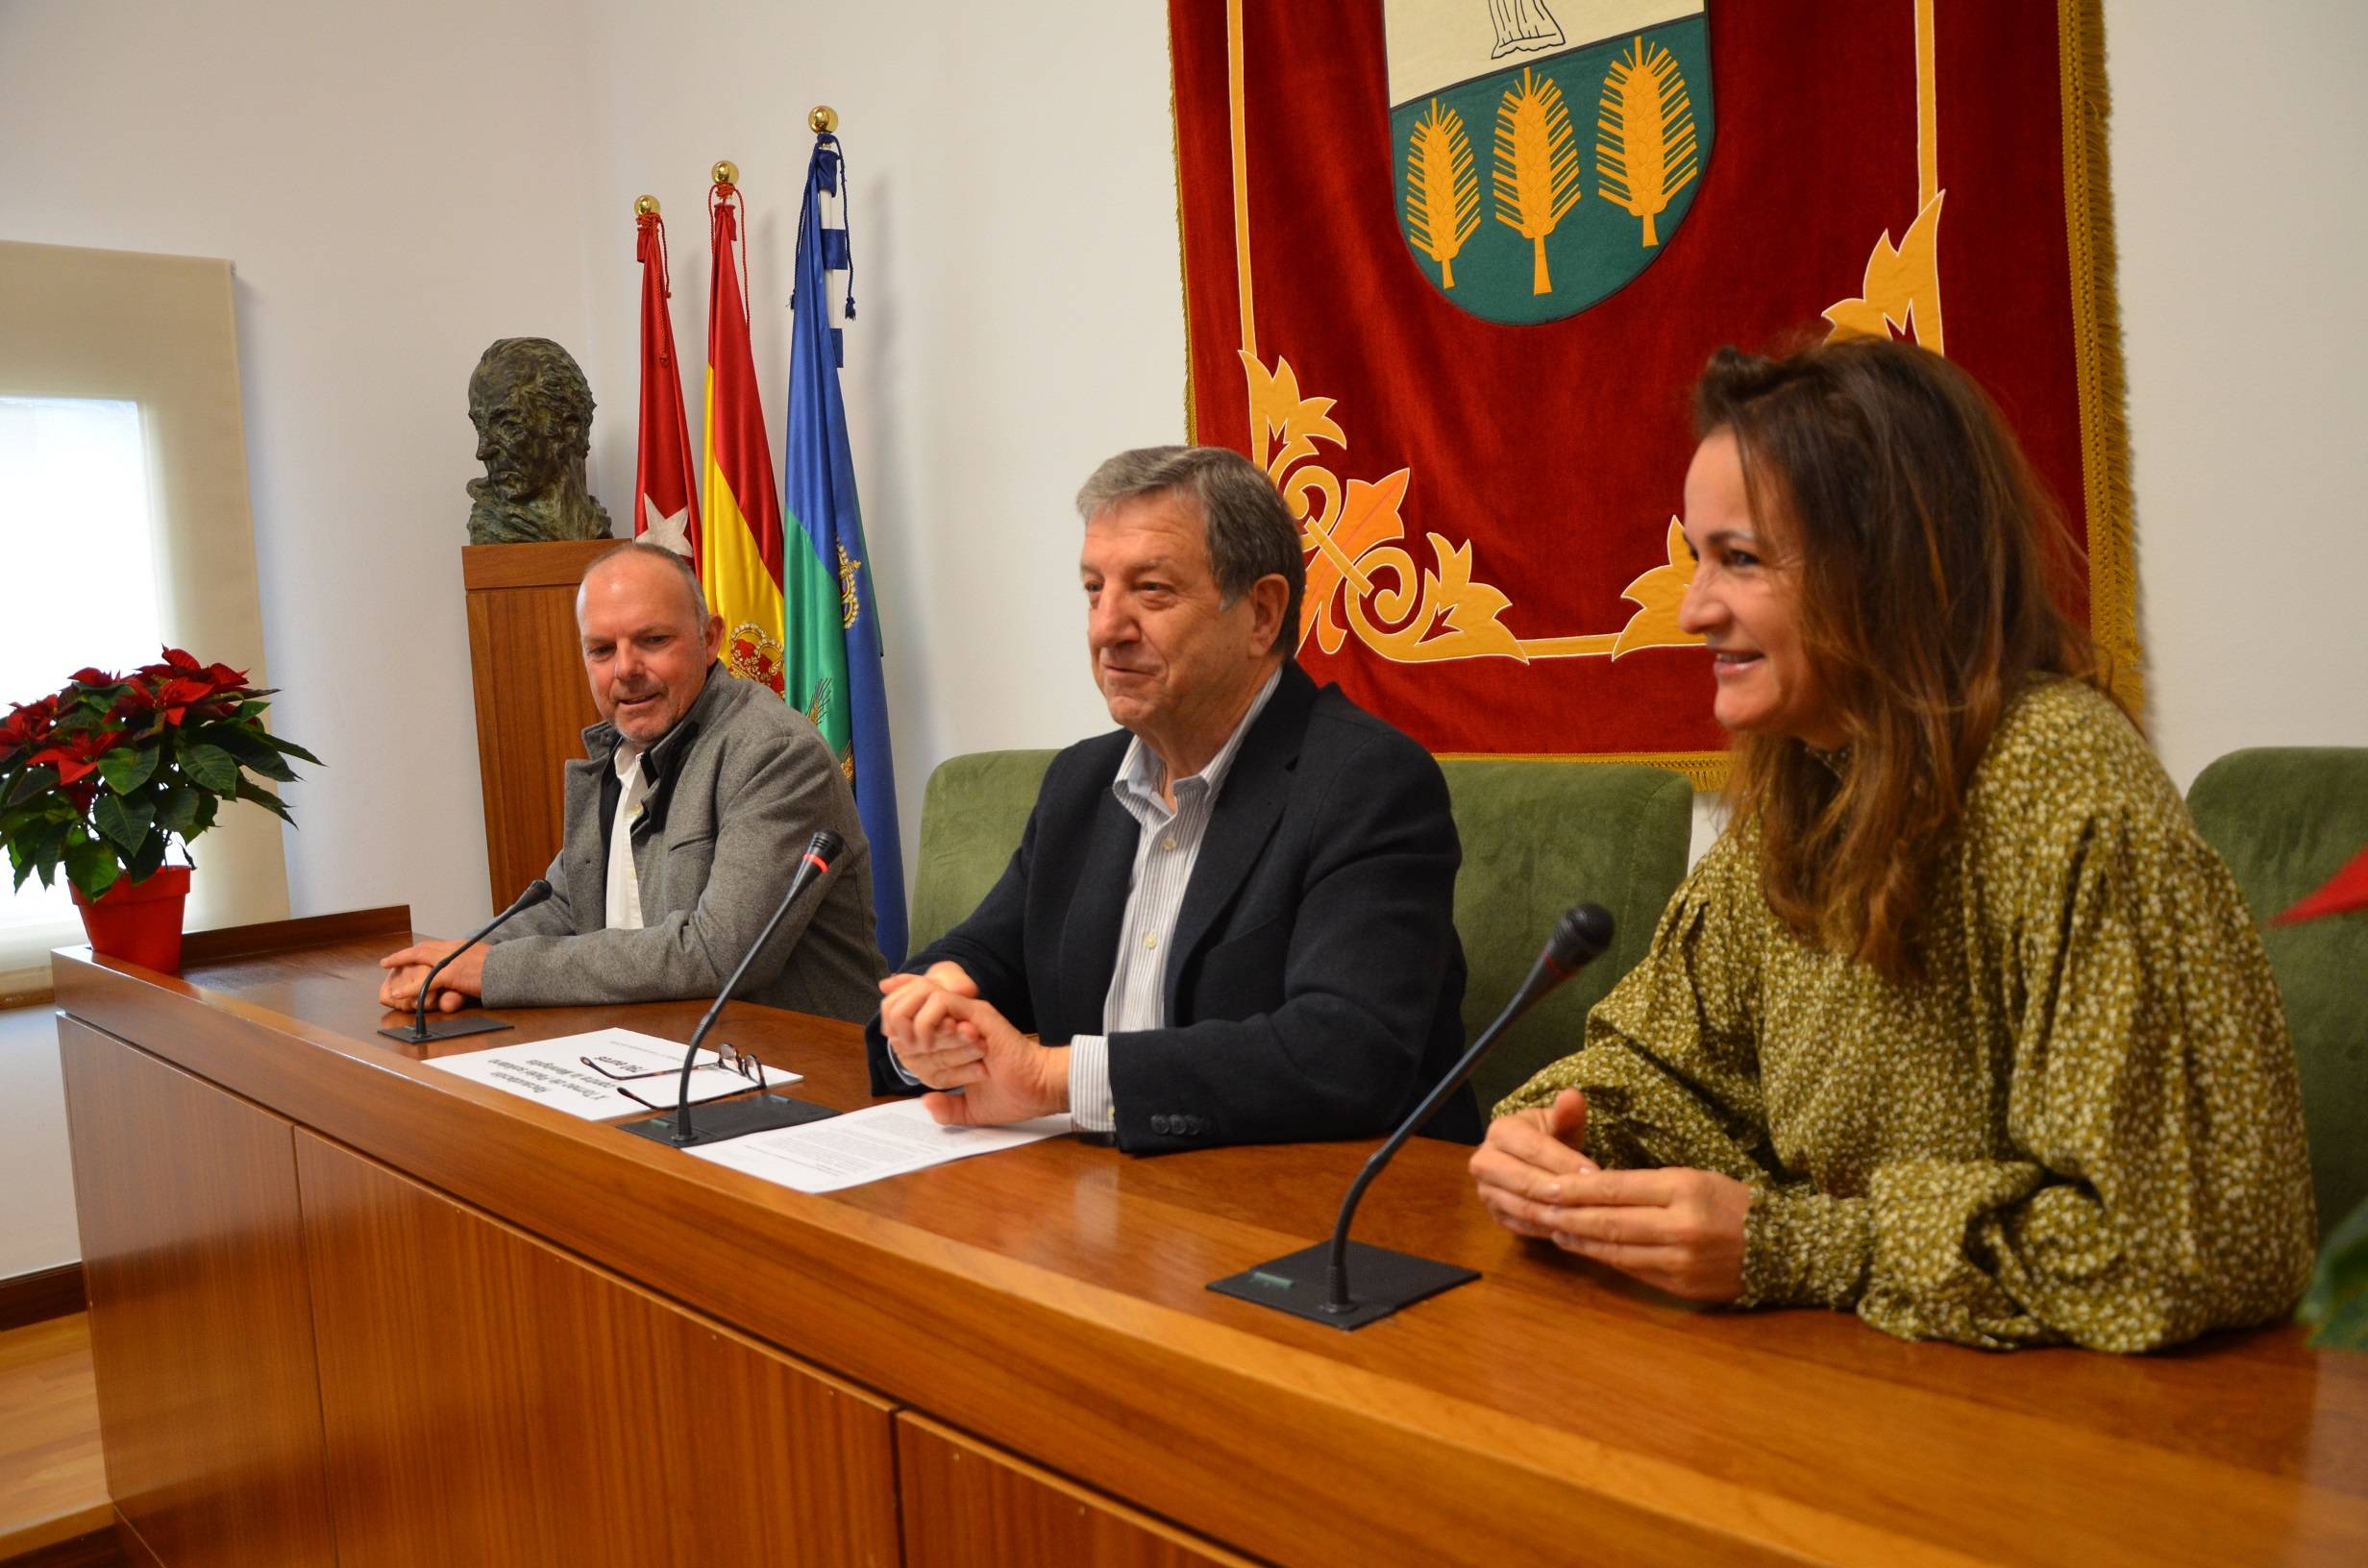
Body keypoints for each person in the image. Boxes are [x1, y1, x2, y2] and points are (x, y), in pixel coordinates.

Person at [1468, 339, 2316, 1352]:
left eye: (1739, 559)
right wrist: (1558, 1138)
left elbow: (2188, 1247)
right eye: (1696, 559)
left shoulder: (2063, 787)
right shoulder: (1809, 777)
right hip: (1861, 1381)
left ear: (1883, 565)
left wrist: (1798, 1248)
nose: (1693, 609)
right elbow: (1675, 1076)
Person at [868, 445, 1477, 1153]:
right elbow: (982, 955)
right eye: (1094, 590)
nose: (1105, 629)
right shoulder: (1081, 783)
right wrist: (931, 1013)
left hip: (1322, 1214)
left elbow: (1347, 1050)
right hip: (1109, 1201)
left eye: (1151, 590)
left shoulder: (1367, 781)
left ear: (1261, 613)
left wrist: (1050, 1076)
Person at [379, 543, 884, 1021]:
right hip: (665, 1054)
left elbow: (720, 953)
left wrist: (491, 971)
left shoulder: (774, 753)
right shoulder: (622, 754)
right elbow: (563, 904)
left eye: (653, 640)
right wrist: (452, 965)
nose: (625, 669)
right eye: (601, 650)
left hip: (805, 1077)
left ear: (710, 639)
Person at [464, 336, 613, 544]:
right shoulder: (491, 531)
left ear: (570, 428)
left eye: (508, 425)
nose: (482, 452)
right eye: (479, 427)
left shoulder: (594, 529)